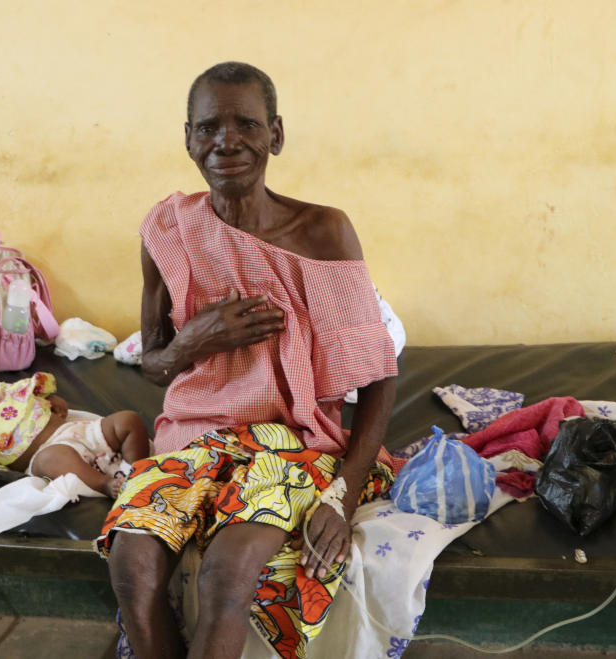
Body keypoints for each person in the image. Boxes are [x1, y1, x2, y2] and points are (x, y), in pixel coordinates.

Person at [96, 62, 399, 659]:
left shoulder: (322, 233)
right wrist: (194, 343)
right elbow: (155, 365)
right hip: (194, 440)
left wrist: (342, 494)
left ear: (276, 135)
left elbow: (380, 376)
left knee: (227, 574)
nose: (226, 141)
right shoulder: (167, 231)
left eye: (246, 124)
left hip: (293, 443)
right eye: (208, 127)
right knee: (132, 569)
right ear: (187, 139)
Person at [0, 372, 150, 498]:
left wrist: (57, 405)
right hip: (46, 454)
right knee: (53, 458)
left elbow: (49, 400)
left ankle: (135, 469)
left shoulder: (3, 397)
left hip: (80, 432)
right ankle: (106, 484)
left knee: (127, 420)